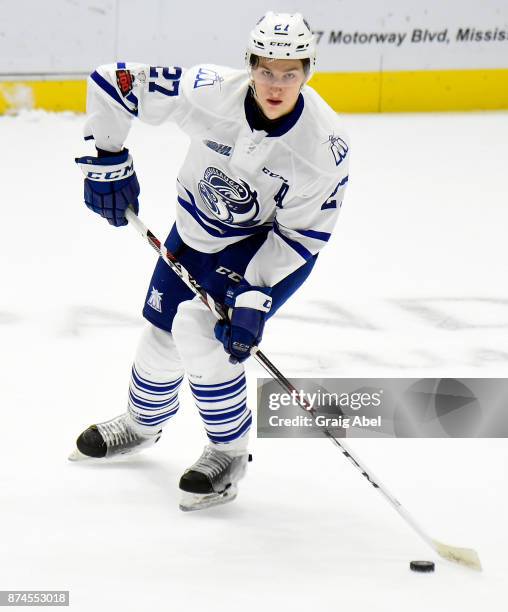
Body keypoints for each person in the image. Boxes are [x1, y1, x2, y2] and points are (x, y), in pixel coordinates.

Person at [72, 12, 349, 511]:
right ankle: (140, 424)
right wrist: (108, 158)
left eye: (290, 72)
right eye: (267, 70)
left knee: (201, 333)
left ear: (309, 70)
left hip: (266, 248)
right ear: (249, 66)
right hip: (195, 230)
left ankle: (228, 452)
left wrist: (253, 293)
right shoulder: (209, 90)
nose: (277, 84)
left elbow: (303, 237)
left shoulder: (322, 150)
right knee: (159, 337)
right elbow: (115, 80)